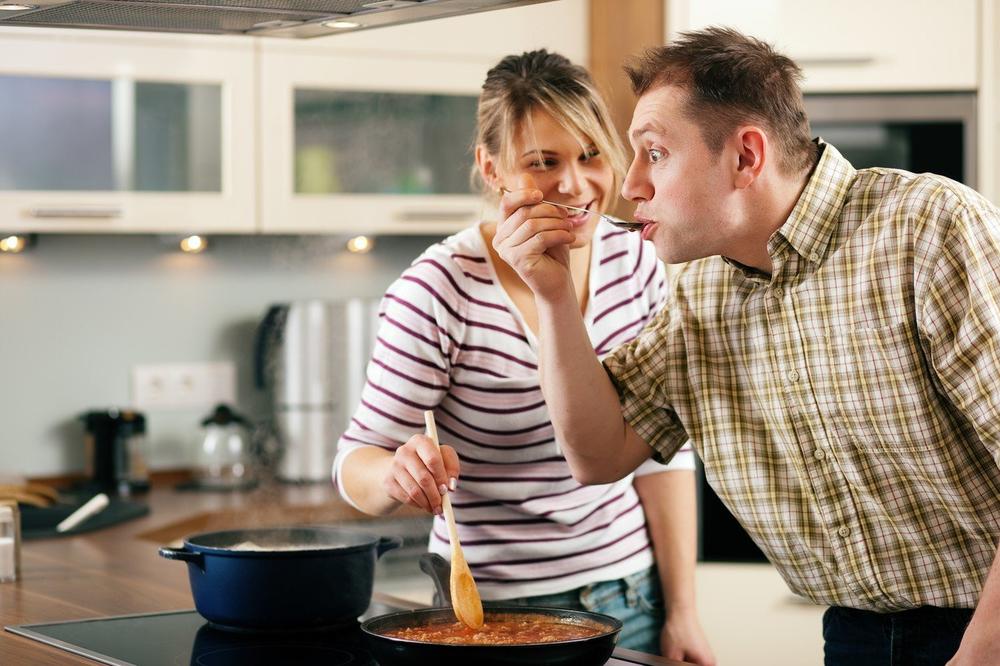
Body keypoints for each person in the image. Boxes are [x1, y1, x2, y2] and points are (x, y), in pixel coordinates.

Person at [493, 27, 1000, 666]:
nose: (631, 187)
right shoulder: (700, 289)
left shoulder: (929, 229)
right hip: (857, 637)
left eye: (655, 153)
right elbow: (597, 452)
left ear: (746, 156)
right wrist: (555, 298)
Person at [333, 50, 715, 663]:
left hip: (629, 596)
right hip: (487, 608)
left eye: (591, 155)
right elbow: (356, 463)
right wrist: (393, 474)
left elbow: (663, 455)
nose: (574, 183)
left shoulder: (638, 260)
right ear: (492, 168)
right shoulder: (439, 288)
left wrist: (685, 612)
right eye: (543, 163)